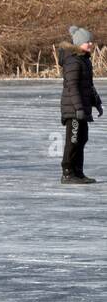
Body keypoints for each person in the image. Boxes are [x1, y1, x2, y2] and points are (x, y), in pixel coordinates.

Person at [58, 25, 102, 184]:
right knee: (74, 139)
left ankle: (78, 172)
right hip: (74, 109)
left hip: (81, 108)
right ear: (78, 43)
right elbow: (72, 87)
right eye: (87, 42)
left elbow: (88, 86)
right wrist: (78, 109)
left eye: (91, 41)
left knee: (82, 139)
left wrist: (97, 102)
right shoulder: (73, 61)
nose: (90, 44)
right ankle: (68, 172)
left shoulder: (84, 60)